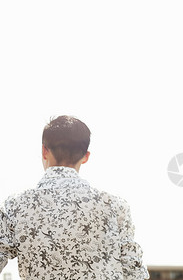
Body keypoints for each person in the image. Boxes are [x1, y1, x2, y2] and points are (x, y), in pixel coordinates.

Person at [0, 115, 149, 279]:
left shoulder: (15, 206)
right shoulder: (115, 206)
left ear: (44, 150)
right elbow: (134, 271)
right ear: (85, 156)